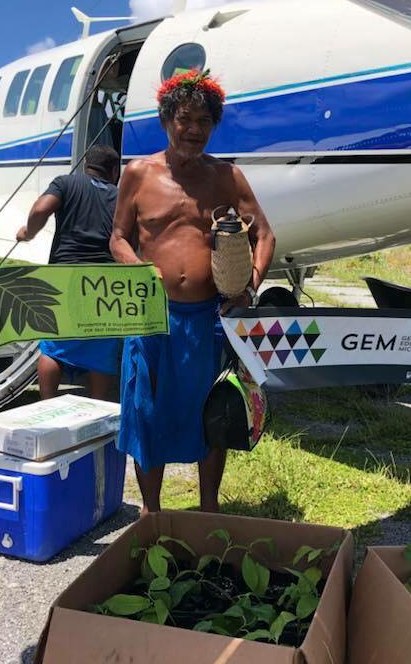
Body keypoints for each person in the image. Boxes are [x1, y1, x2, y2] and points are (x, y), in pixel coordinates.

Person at [110, 70, 276, 514]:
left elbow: (265, 235)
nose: (194, 130)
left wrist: (251, 284)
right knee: (147, 412)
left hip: (208, 319)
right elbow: (118, 238)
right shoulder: (138, 174)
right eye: (185, 119)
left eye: (204, 121)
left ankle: (208, 509)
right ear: (167, 120)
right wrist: (136, 267)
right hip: (148, 317)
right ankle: (152, 512)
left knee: (211, 412)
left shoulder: (226, 176)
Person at [16, 145, 122, 400]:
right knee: (101, 344)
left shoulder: (65, 183)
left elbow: (41, 209)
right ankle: (97, 409)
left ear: (87, 164)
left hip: (66, 275)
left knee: (54, 347)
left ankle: (46, 404)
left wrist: (28, 233)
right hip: (104, 280)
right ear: (114, 171)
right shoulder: (118, 195)